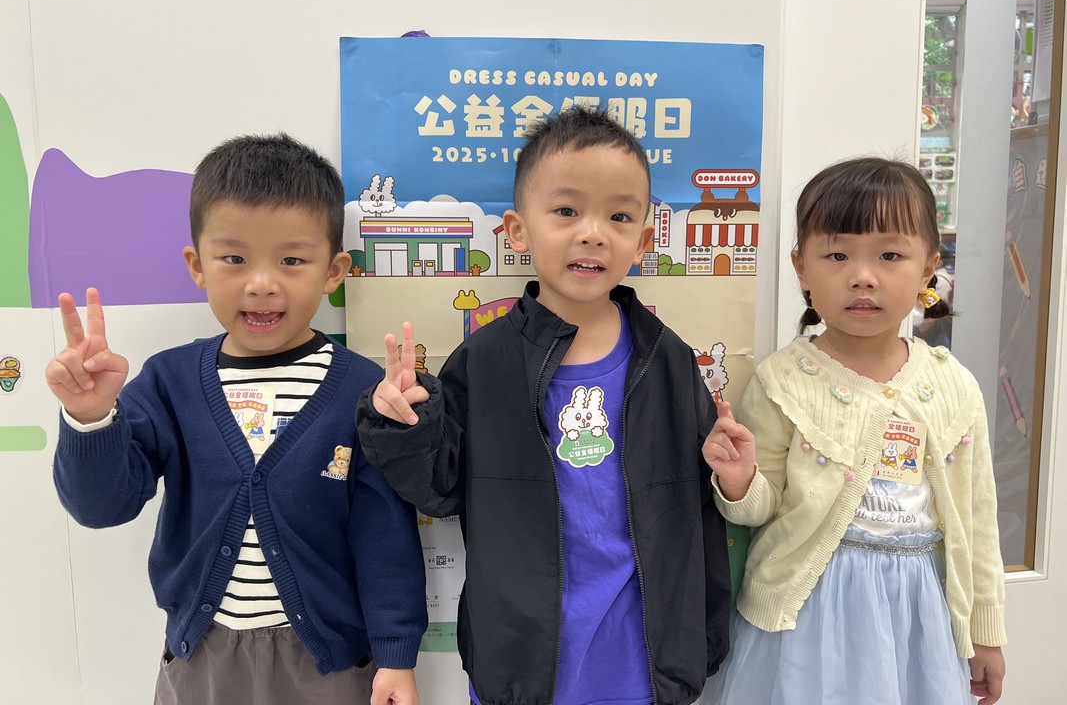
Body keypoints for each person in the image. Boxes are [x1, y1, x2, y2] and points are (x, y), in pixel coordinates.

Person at [357, 106, 736, 705]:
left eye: (619, 216)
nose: (593, 233)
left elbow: (705, 507)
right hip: (521, 659)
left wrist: (734, 480)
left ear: (643, 242)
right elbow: (438, 489)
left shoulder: (667, 358)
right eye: (566, 211)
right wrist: (403, 421)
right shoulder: (484, 360)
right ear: (517, 232)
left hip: (646, 660)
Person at [47, 134, 427, 705]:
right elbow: (102, 507)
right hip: (203, 654)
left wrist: (396, 656)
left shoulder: (362, 390)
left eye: (292, 260)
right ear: (197, 266)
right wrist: (91, 416)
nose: (261, 283)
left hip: (327, 660)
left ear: (334, 271)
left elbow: (384, 539)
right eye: (234, 259)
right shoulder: (170, 382)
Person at [704, 157, 1007, 705]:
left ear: (928, 270)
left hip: (919, 614)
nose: (862, 276)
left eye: (890, 255)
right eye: (837, 255)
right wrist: (739, 481)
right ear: (801, 269)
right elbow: (758, 510)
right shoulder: (782, 379)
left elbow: (977, 518)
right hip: (806, 615)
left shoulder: (954, 385)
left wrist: (986, 631)